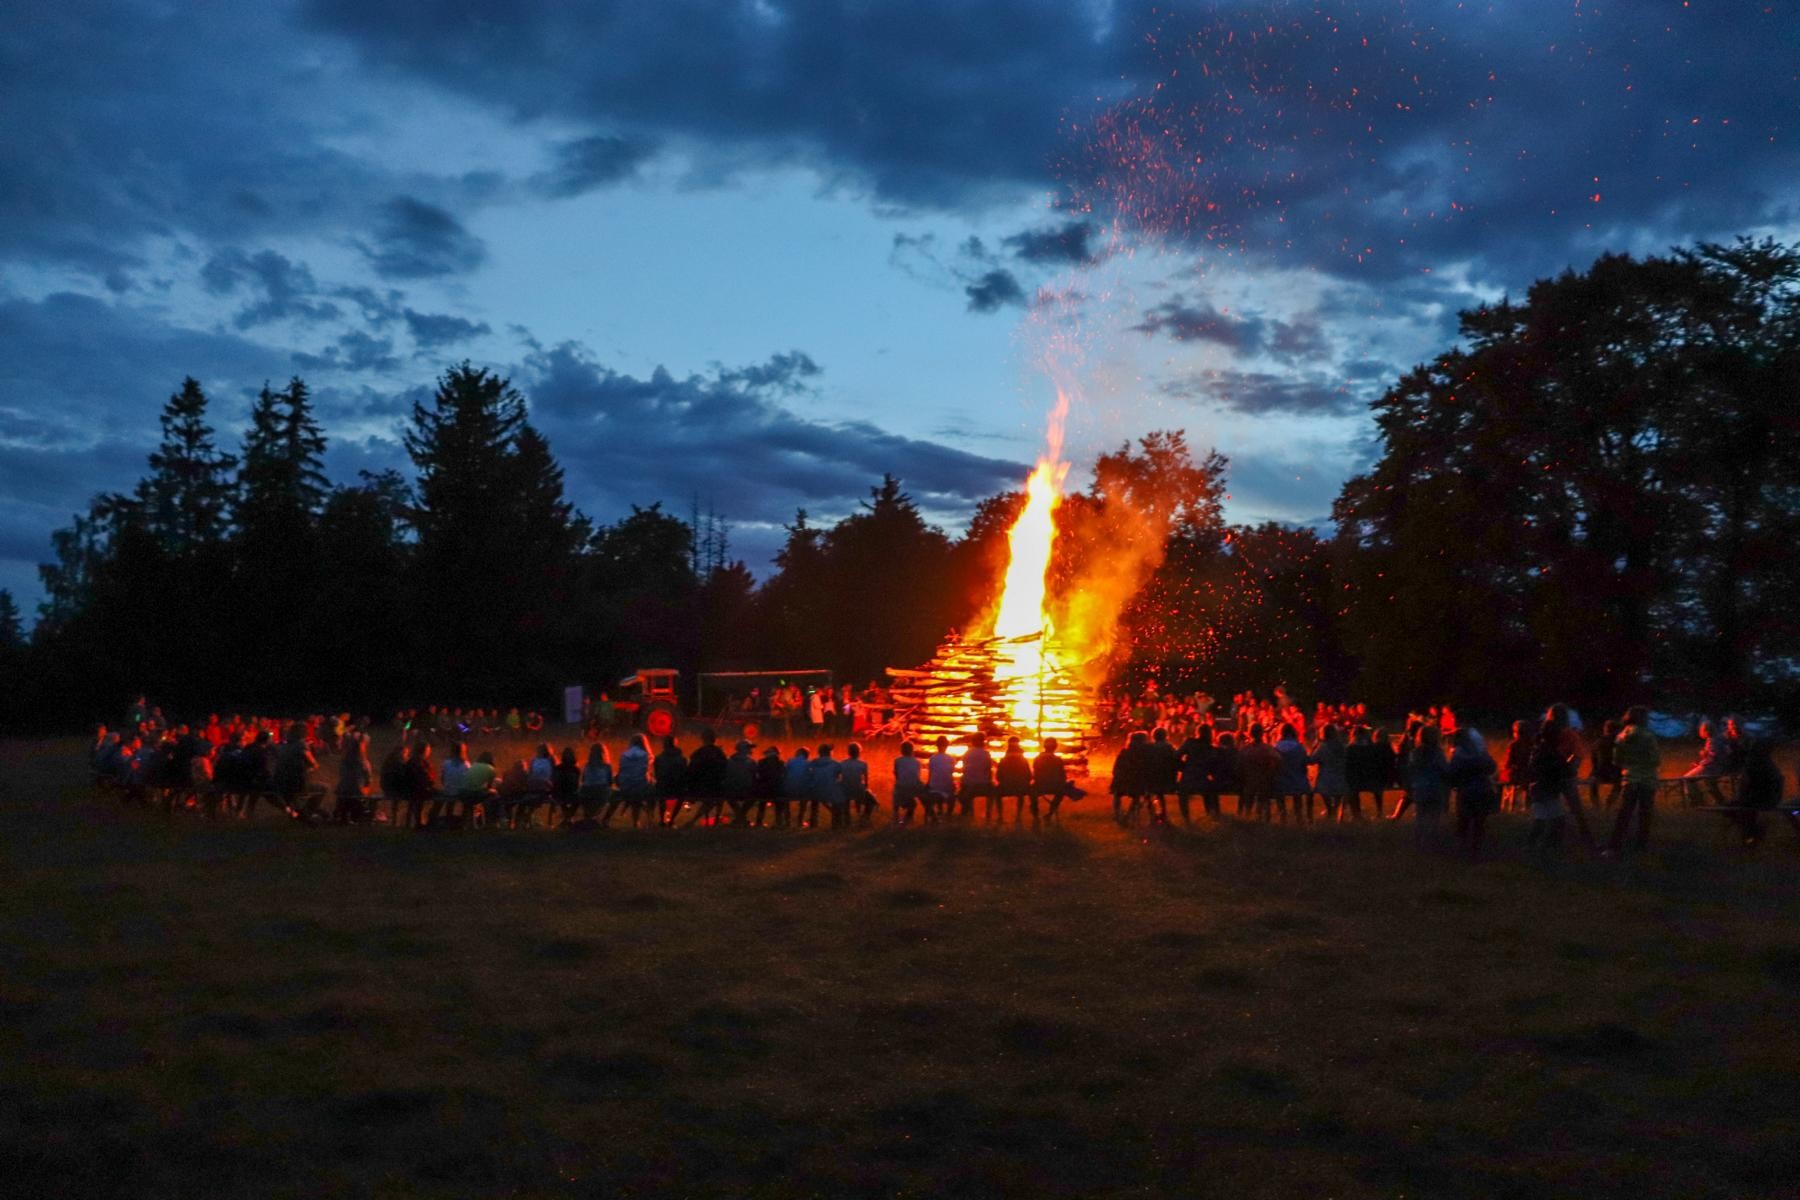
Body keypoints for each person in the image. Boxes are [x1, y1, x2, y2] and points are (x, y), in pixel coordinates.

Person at [1608, 706, 1661, 854]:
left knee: (1624, 813)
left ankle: (1615, 844)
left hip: (1629, 779)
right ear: (1643, 719)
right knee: (1645, 814)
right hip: (1647, 780)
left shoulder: (1621, 736)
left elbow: (1617, 761)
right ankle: (1640, 846)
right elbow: (1655, 760)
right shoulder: (1648, 736)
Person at [1446, 727, 1498, 858]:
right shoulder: (1481, 753)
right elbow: (1492, 767)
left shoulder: (1458, 755)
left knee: (1463, 821)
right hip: (1483, 789)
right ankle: (1476, 850)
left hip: (1465, 791)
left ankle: (1462, 850)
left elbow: (1452, 773)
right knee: (1479, 822)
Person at [1732, 737, 1787, 846]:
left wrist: (1742, 796)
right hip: (1768, 797)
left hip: (1762, 798)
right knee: (1742, 808)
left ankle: (1751, 835)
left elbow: (1750, 784)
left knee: (1738, 808)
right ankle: (1751, 834)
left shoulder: (1756, 763)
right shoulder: (1765, 762)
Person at [1407, 725, 1449, 848]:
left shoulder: (1415, 753)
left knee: (1420, 816)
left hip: (1420, 788)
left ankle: (1418, 841)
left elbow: (1411, 769)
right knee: (1434, 817)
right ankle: (1432, 841)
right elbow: (1444, 769)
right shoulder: (1438, 754)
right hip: (1435, 788)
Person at [1031, 737, 1084, 820]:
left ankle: (1036, 816)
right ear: (1055, 747)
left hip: (1040, 786)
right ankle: (1050, 813)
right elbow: (1062, 776)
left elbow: (1035, 774)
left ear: (1044, 746)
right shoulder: (1057, 760)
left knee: (1032, 793)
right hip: (1055, 787)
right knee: (1061, 792)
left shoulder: (1037, 759)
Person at [684, 729, 729, 826]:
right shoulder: (719, 753)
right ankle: (715, 819)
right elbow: (725, 768)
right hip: (714, 786)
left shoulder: (698, 753)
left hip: (700, 786)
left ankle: (695, 820)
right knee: (719, 796)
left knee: (713, 798)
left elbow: (691, 770)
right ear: (714, 739)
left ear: (703, 739)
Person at [1237, 725, 1281, 822]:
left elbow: (1239, 764)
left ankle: (1247, 818)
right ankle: (1265, 819)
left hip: (1249, 780)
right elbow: (1278, 760)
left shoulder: (1246, 750)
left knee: (1249, 799)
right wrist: (1271, 771)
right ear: (1262, 734)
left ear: (1250, 734)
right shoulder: (1268, 749)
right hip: (1264, 780)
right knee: (1265, 799)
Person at [1273, 722, 1312, 824]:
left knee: (1280, 794)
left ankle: (1282, 816)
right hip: (1298, 781)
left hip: (1281, 782)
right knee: (1297, 796)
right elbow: (1305, 761)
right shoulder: (1299, 747)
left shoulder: (1277, 747)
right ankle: (1299, 817)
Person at [332, 730, 374, 825]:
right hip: (355, 792)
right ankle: (358, 815)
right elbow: (368, 781)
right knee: (361, 791)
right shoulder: (363, 763)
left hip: (343, 790)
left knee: (346, 790)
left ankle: (343, 814)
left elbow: (342, 775)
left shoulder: (345, 761)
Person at [1311, 724, 1349, 821]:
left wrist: (1314, 747)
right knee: (1338, 794)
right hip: (1340, 775)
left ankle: (1330, 809)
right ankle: (1334, 809)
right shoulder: (1342, 746)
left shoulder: (1322, 747)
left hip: (1326, 776)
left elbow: (1313, 759)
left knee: (1322, 789)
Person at [1144, 727, 1181, 825]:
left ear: (1153, 736)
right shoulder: (1169, 747)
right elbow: (1177, 762)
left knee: (1150, 792)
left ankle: (1153, 814)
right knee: (1159, 793)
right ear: (1165, 736)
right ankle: (1162, 814)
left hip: (1153, 779)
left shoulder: (1149, 748)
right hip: (1168, 779)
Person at [1112, 731, 1149, 825]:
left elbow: (1116, 767)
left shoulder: (1124, 752)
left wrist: (1117, 775)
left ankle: (1117, 813)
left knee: (1117, 793)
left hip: (1122, 780)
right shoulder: (1144, 755)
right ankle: (1129, 814)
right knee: (1137, 795)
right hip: (1136, 781)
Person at [616, 734, 653, 827]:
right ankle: (648, 816)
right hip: (640, 784)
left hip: (625, 785)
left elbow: (621, 770)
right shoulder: (647, 755)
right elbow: (645, 771)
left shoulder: (624, 755)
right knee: (648, 787)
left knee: (634, 793)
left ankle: (634, 816)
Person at [809, 743, 846, 829]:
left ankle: (813, 823)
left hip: (815, 791)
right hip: (830, 792)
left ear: (819, 752)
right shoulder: (835, 764)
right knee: (839, 801)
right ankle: (836, 823)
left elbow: (809, 775)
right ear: (830, 752)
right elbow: (840, 776)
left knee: (815, 801)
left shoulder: (813, 763)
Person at [995, 737, 1033, 822]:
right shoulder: (1023, 761)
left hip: (1005, 787)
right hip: (1021, 787)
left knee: (997, 793)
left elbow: (998, 777)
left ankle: (1000, 816)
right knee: (1022, 794)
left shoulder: (1003, 761)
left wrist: (1004, 781)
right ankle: (1019, 815)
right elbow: (1029, 776)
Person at [960, 736, 997, 822]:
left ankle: (970, 811)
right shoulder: (986, 753)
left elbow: (965, 769)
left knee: (966, 789)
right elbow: (988, 768)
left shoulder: (967, 753)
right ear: (982, 742)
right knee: (993, 790)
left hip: (969, 785)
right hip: (983, 785)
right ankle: (988, 812)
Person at [652, 736, 687, 827]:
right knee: (682, 797)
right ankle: (672, 819)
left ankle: (662, 820)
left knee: (661, 795)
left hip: (662, 788)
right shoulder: (682, 759)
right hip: (677, 788)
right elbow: (684, 774)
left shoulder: (658, 758)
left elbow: (657, 775)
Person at [578, 743, 614, 823]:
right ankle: (605, 820)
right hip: (601, 791)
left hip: (586, 791)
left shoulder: (587, 766)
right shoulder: (607, 766)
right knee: (616, 796)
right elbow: (610, 782)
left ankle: (588, 818)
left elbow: (583, 780)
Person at [841, 743, 875, 825]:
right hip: (858, 789)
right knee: (872, 801)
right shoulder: (863, 764)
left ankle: (847, 820)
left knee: (845, 802)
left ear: (848, 752)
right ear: (859, 752)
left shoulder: (842, 763)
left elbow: (840, 777)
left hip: (845, 789)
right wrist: (866, 789)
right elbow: (866, 781)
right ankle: (864, 817)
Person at [752, 745, 786, 827]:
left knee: (762, 804)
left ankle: (759, 822)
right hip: (776, 790)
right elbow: (782, 776)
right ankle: (779, 822)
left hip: (763, 790)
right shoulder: (780, 763)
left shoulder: (761, 762)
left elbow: (758, 775)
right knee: (779, 804)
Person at [925, 737, 957, 823]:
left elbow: (931, 774)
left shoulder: (932, 758)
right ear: (947, 746)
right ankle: (948, 815)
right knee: (952, 793)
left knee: (930, 791)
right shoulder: (951, 759)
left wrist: (928, 785)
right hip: (946, 788)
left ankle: (936, 815)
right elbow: (950, 774)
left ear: (937, 745)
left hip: (934, 788)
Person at [892, 741, 924, 826]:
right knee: (913, 803)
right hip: (912, 786)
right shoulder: (917, 762)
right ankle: (907, 819)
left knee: (897, 797)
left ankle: (896, 817)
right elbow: (917, 776)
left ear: (902, 750)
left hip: (901, 787)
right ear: (912, 750)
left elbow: (896, 774)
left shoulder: (897, 761)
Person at [782, 745, 813, 827]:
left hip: (789, 790)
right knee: (805, 798)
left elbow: (784, 773)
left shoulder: (790, 761)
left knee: (785, 797)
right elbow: (811, 776)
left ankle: (787, 820)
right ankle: (800, 820)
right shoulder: (808, 763)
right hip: (802, 791)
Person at [553, 747, 582, 827]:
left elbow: (577, 783)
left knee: (578, 799)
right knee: (563, 799)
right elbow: (556, 782)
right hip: (561, 791)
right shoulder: (559, 768)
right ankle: (568, 819)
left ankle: (567, 819)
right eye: (566, 754)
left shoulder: (575, 769)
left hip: (571, 791)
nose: (568, 756)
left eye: (569, 754)